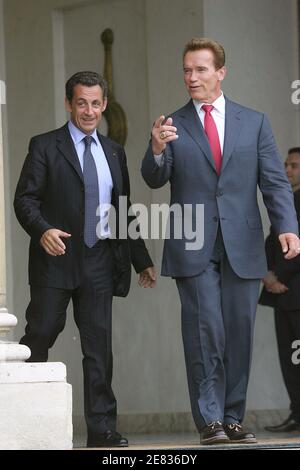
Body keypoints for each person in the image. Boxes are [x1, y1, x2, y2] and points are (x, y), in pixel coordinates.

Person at [141, 38, 300, 445]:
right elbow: (154, 177)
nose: (191, 77)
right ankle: (209, 419)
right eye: (186, 70)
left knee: (239, 332)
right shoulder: (172, 123)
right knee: (204, 330)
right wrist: (156, 148)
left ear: (220, 73)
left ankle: (233, 417)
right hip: (193, 244)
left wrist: (287, 225)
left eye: (200, 69)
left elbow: (275, 182)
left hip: (242, 246)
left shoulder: (255, 122)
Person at [14, 71, 156, 448]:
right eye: (81, 103)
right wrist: (42, 229)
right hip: (56, 258)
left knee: (98, 348)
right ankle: (20, 414)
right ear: (68, 103)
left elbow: (123, 210)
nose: (89, 111)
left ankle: (102, 429)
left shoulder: (113, 151)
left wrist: (141, 259)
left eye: (95, 103)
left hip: (98, 262)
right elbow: (24, 199)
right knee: (40, 333)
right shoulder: (45, 146)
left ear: (104, 104)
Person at [260, 148, 300, 433]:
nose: (288, 170)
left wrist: (278, 275)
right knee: (289, 361)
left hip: (293, 288)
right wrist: (265, 274)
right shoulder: (287, 199)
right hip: (283, 294)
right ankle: (297, 413)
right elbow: (272, 241)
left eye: (295, 165)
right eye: (287, 164)